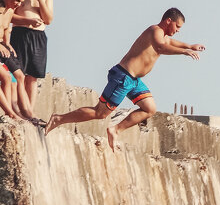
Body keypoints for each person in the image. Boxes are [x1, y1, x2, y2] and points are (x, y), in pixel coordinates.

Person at [44, 8, 205, 151]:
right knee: (100, 113)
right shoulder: (155, 31)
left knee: (150, 108)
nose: (178, 31)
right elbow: (161, 47)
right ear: (168, 21)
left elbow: (170, 42)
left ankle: (115, 130)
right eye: (177, 26)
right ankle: (59, 119)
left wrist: (190, 46)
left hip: (134, 81)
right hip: (123, 77)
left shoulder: (163, 35)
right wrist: (184, 52)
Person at [10, 0, 54, 115]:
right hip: (20, 33)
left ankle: (29, 112)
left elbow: (48, 19)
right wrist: (26, 21)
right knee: (18, 73)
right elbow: (8, 15)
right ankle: (16, 110)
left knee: (33, 77)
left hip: (38, 36)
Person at [0, 0, 28, 118]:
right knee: (8, 78)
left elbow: (6, 30)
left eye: (21, 2)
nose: (18, 4)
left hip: (3, 45)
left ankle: (22, 111)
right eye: (17, 0)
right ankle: (10, 110)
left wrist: (8, 44)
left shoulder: (9, 11)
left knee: (19, 77)